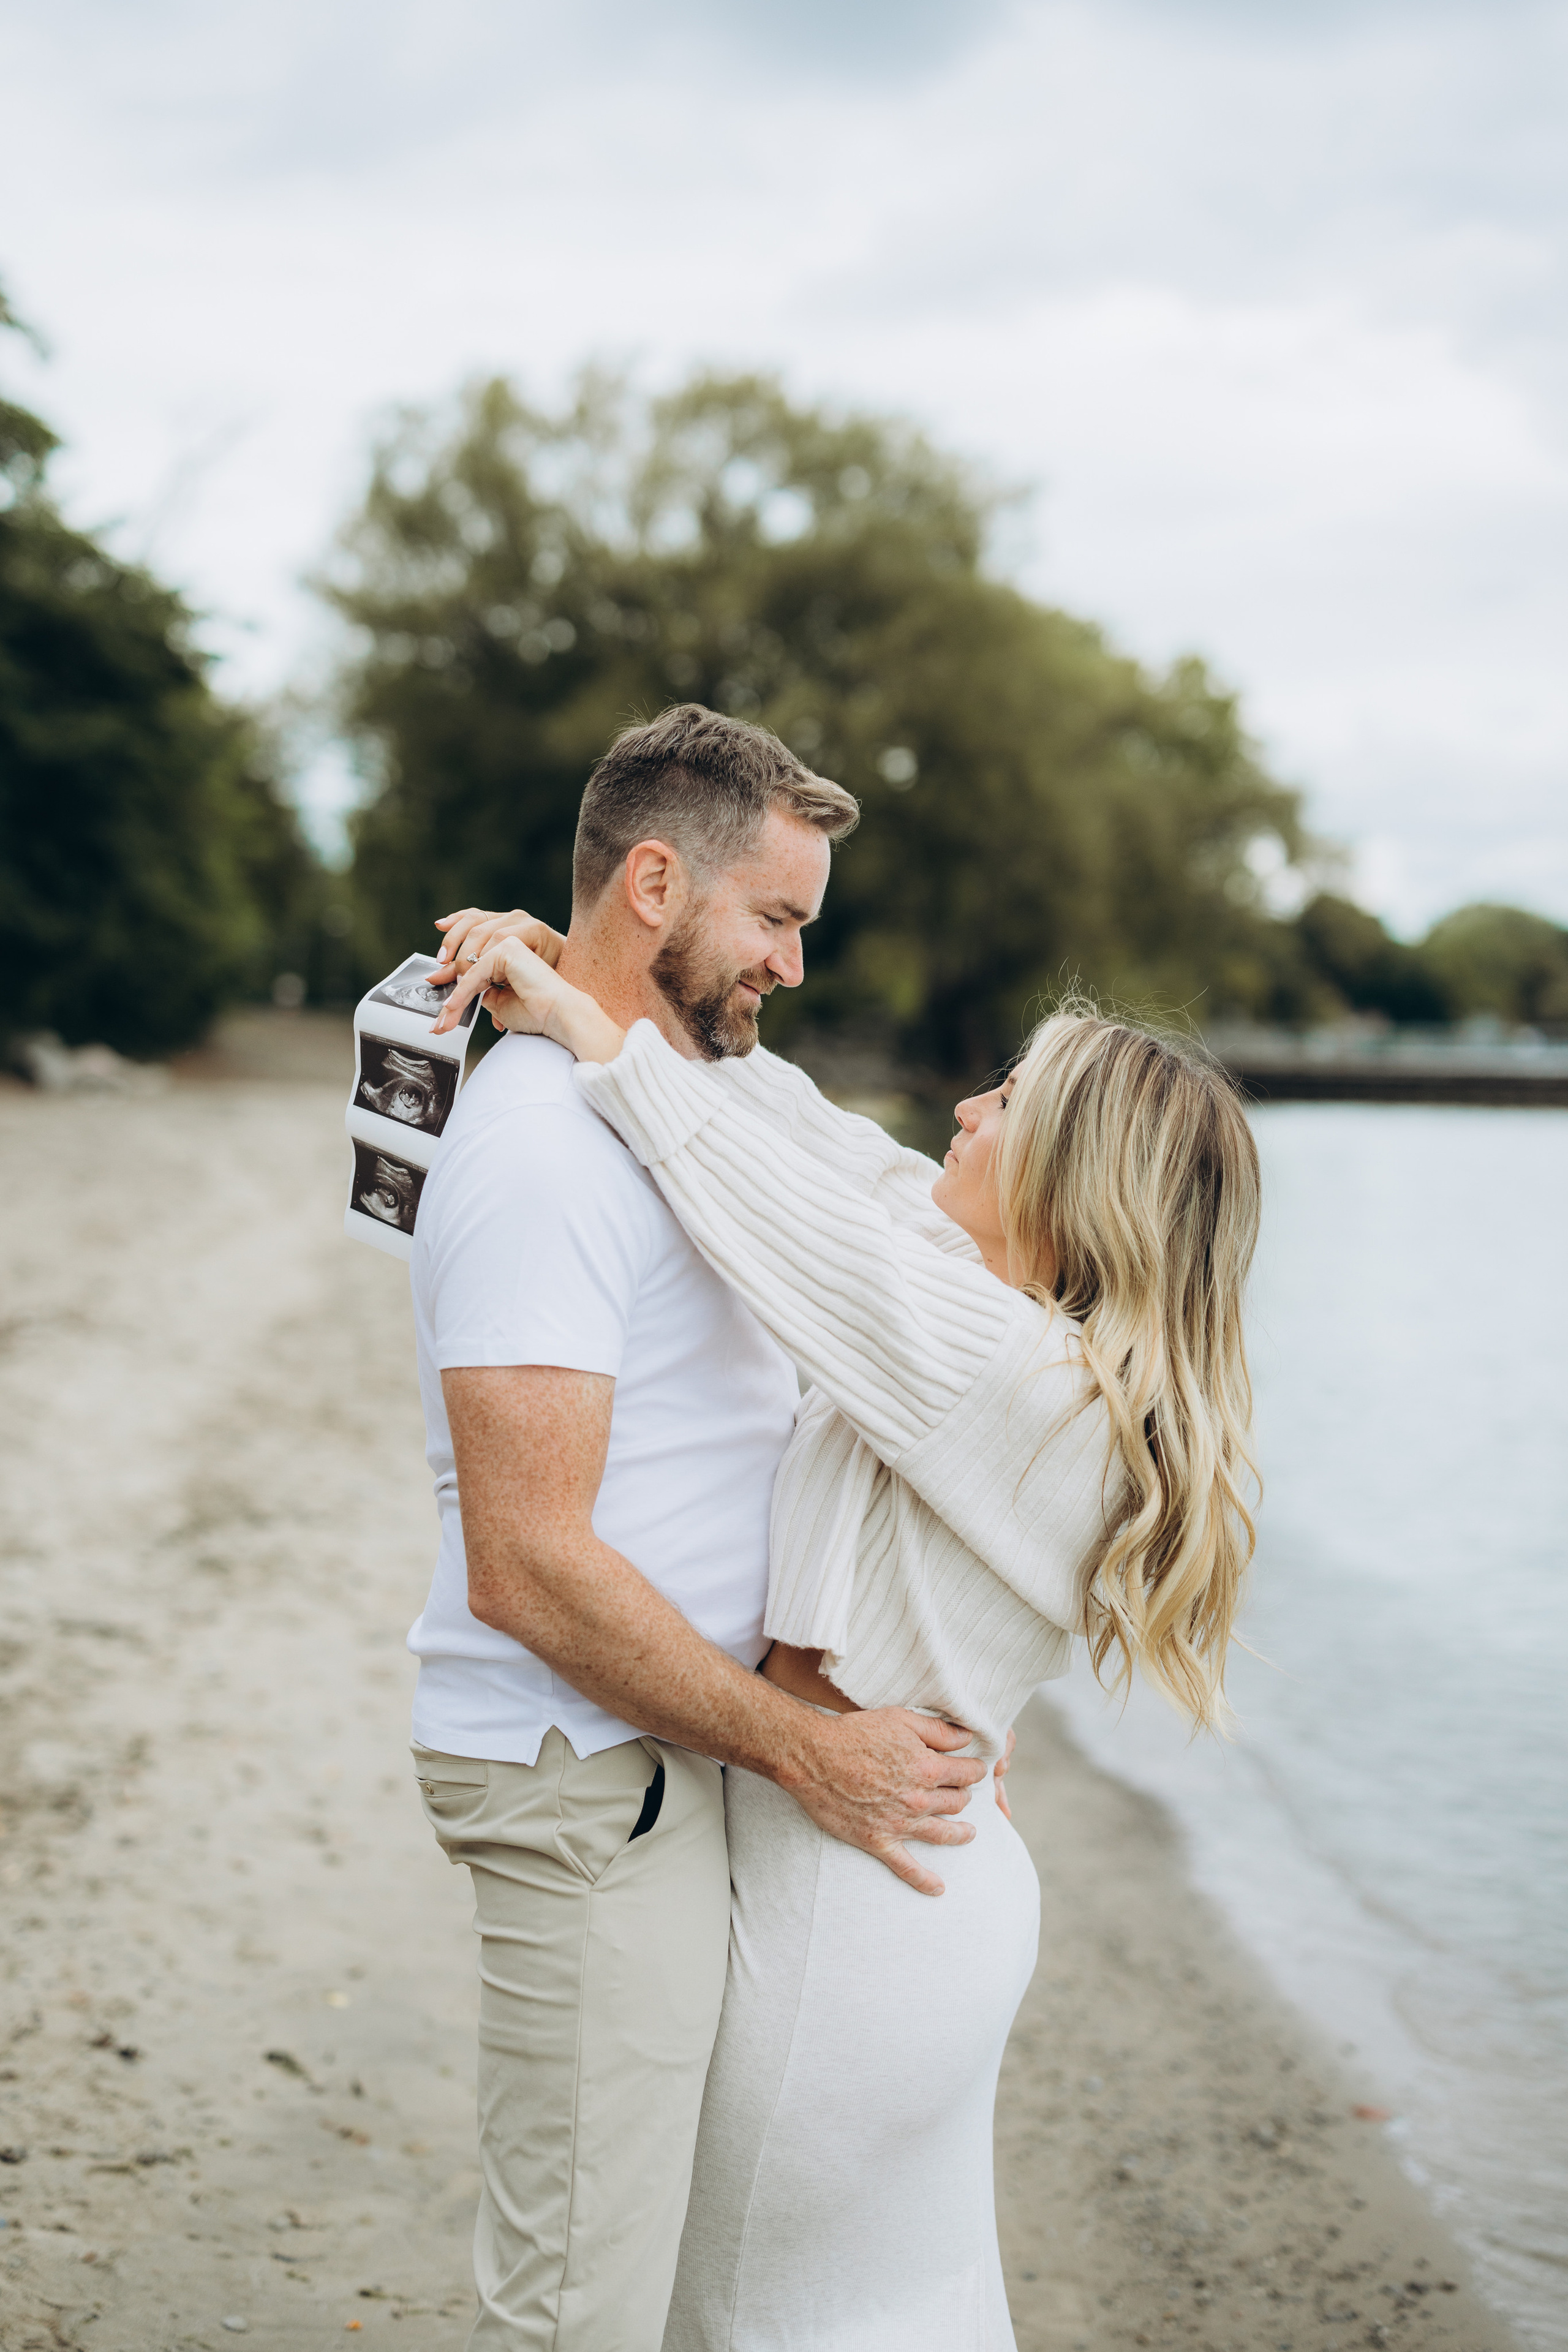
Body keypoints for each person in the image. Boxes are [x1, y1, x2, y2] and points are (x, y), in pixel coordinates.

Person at [434, 914, 1261, 2350]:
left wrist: (583, 1029)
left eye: (1000, 1105)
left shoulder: (998, 1369)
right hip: (921, 1878)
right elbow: (813, 1141)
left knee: (764, 2316)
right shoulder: (1011, 1335)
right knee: (910, 2305)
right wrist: (599, 971)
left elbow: (768, 1201)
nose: (958, 1110)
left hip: (854, 1906)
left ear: (1072, 1182)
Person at [404, 706, 987, 2352]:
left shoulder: (670, 1101)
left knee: (649, 2275)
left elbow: (873, 1199)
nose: (797, 965)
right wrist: (812, 1752)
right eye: (778, 919)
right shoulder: (539, 1156)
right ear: (654, 882)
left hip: (655, 1762)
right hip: (589, 1774)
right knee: (579, 2302)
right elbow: (527, 1562)